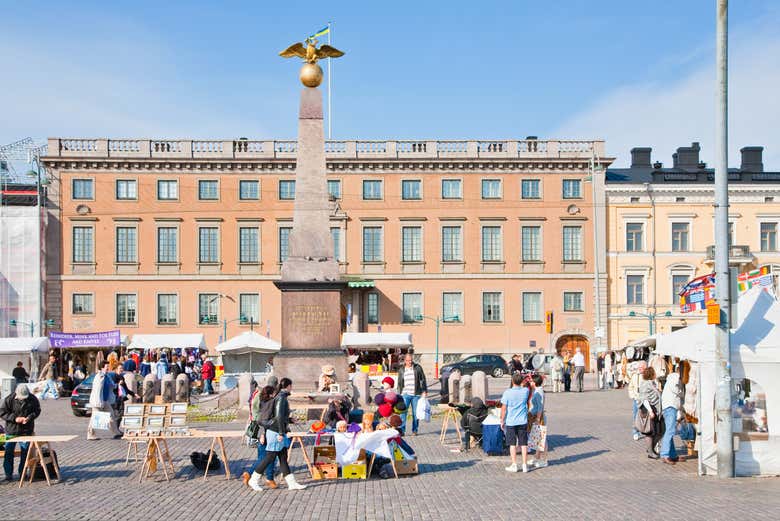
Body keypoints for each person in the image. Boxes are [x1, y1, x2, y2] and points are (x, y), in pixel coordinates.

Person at [247, 378, 307, 491]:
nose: (292, 388)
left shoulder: (279, 396)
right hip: (275, 432)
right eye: (291, 386)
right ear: (288, 386)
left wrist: (289, 420)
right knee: (269, 456)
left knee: (283, 457)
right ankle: (253, 479)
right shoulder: (281, 398)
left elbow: (279, 416)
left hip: (277, 430)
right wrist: (280, 432)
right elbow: (278, 416)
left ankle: (292, 483)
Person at [0, 383, 40, 481]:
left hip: (26, 430)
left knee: (25, 452)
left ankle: (23, 472)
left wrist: (29, 418)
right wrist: (15, 419)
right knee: (9, 451)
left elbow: (37, 410)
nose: (23, 399)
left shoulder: (33, 399)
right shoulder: (9, 399)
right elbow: (2, 413)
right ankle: (8, 474)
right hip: (11, 430)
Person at [242, 385, 278, 489]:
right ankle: (267, 478)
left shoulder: (264, 401)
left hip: (265, 432)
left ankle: (268, 478)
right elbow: (262, 420)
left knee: (266, 456)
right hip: (266, 433)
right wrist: (262, 434)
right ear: (271, 394)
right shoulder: (268, 404)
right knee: (267, 456)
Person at [500, 372, 531, 473]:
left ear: (512, 381)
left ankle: (514, 464)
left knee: (512, 444)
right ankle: (525, 464)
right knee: (523, 443)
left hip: (511, 421)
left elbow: (504, 408)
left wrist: (502, 420)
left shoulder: (507, 392)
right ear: (521, 381)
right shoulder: (525, 391)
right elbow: (526, 387)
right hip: (522, 420)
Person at [87, 362, 123, 440]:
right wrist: (102, 373)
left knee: (111, 416)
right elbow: (97, 387)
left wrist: (118, 384)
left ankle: (116, 432)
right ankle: (90, 434)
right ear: (102, 368)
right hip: (98, 401)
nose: (108, 368)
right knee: (94, 418)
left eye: (108, 366)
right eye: (106, 366)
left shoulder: (107, 376)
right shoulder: (99, 376)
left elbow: (112, 385)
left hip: (105, 400)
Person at [396, 353, 427, 436]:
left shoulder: (417, 368)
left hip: (416, 394)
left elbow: (423, 379)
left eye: (410, 360)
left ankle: (415, 430)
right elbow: (399, 383)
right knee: (403, 413)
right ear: (404, 361)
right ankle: (402, 430)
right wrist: (399, 394)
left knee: (415, 413)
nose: (409, 362)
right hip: (405, 394)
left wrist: (424, 390)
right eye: (407, 360)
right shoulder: (401, 369)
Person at [660, 368, 684, 465]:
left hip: (668, 407)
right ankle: (665, 454)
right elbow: (676, 390)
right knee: (669, 431)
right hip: (670, 407)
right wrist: (682, 393)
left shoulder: (671, 379)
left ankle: (672, 454)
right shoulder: (675, 378)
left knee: (670, 431)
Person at [638, 366, 662, 460]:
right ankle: (651, 451)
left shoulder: (651, 383)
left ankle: (651, 449)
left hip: (655, 410)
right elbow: (644, 399)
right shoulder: (645, 384)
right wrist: (651, 411)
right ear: (651, 374)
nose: (656, 374)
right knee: (650, 431)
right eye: (654, 373)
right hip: (648, 411)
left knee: (659, 431)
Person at [528, 374, 547, 468]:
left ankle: (544, 460)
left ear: (535, 382)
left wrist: (538, 419)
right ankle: (537, 457)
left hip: (538, 417)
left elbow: (540, 407)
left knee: (542, 439)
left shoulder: (539, 392)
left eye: (531, 381)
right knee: (537, 438)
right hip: (535, 416)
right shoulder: (536, 390)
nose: (529, 382)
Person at [628, 361, 647, 440]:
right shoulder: (635, 376)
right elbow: (630, 387)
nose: (640, 369)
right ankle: (635, 431)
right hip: (637, 399)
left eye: (642, 367)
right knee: (636, 416)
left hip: (645, 399)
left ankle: (645, 430)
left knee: (645, 416)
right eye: (639, 367)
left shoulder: (647, 375)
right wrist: (633, 396)